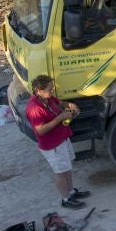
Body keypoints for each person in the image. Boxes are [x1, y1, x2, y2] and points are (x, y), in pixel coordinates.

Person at [25, 75, 91, 209]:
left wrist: (71, 105)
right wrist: (60, 117)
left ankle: (71, 192)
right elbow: (41, 130)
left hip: (61, 138)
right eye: (49, 89)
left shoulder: (47, 98)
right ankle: (66, 199)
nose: (52, 91)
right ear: (38, 90)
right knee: (60, 172)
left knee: (66, 167)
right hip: (52, 145)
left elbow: (60, 103)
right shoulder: (34, 108)